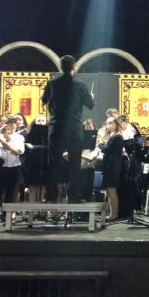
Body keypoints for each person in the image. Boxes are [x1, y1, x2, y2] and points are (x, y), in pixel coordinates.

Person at [41, 55, 94, 203]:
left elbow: (44, 101)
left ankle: (51, 196)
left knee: (53, 162)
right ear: (73, 67)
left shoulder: (52, 83)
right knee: (75, 163)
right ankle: (73, 196)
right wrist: (90, 96)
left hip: (56, 126)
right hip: (74, 128)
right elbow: (90, 105)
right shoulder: (80, 85)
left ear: (60, 67)